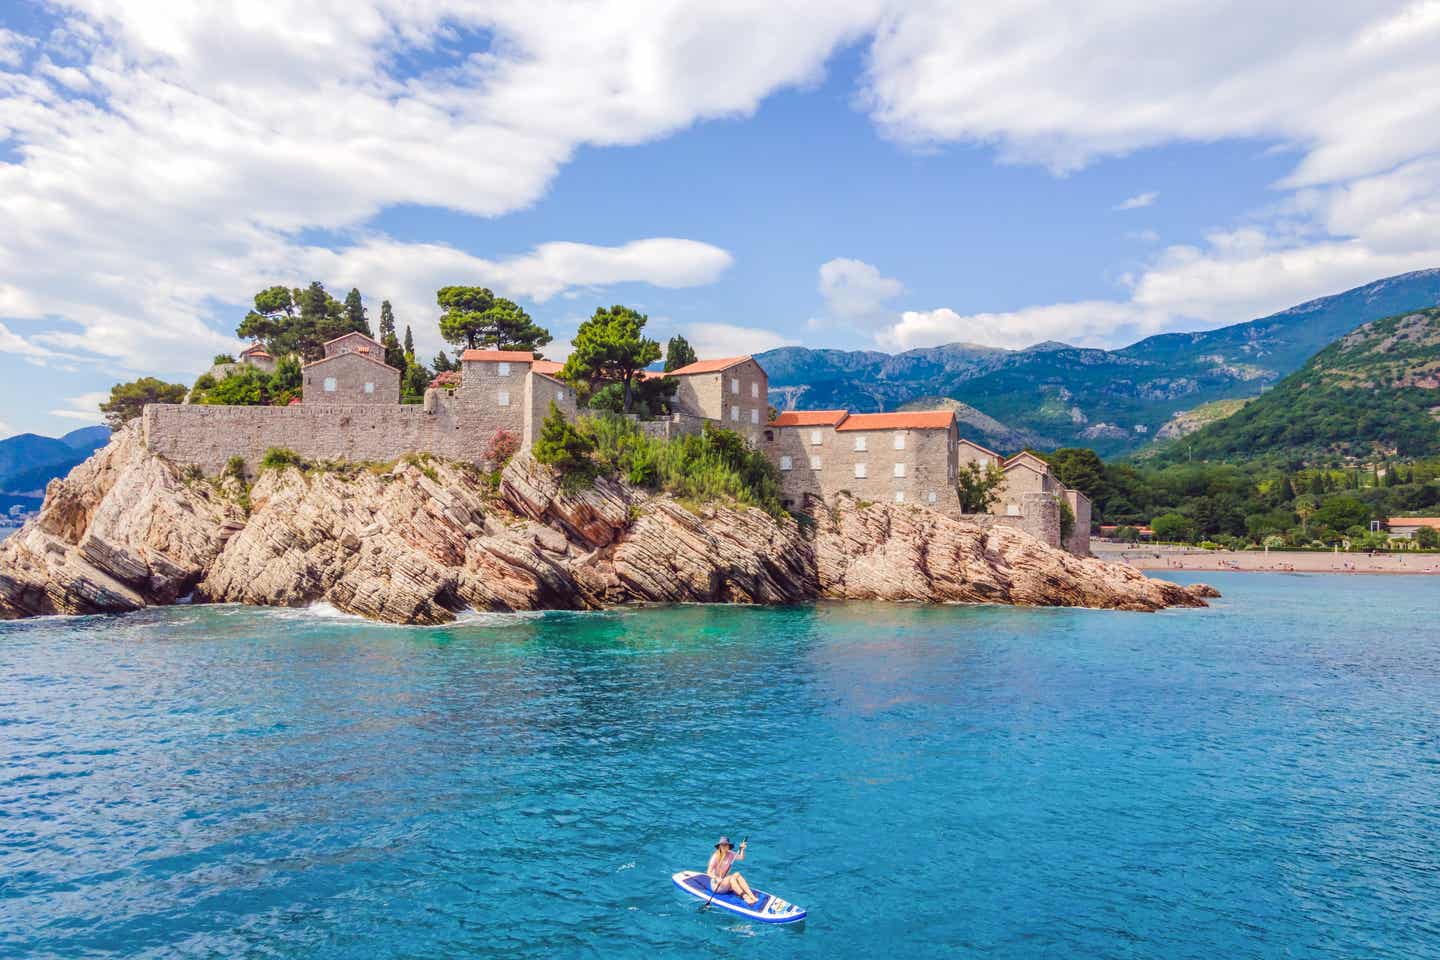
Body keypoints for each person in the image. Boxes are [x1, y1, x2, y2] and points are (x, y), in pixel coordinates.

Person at [707, 836, 757, 905]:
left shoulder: (731, 854)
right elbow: (708, 872)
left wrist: (742, 849)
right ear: (719, 846)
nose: (724, 846)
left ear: (728, 846)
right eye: (722, 845)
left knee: (737, 874)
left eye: (725, 845)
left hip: (726, 883)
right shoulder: (715, 857)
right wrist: (716, 878)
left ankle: (752, 896)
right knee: (732, 878)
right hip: (717, 885)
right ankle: (746, 898)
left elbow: (741, 858)